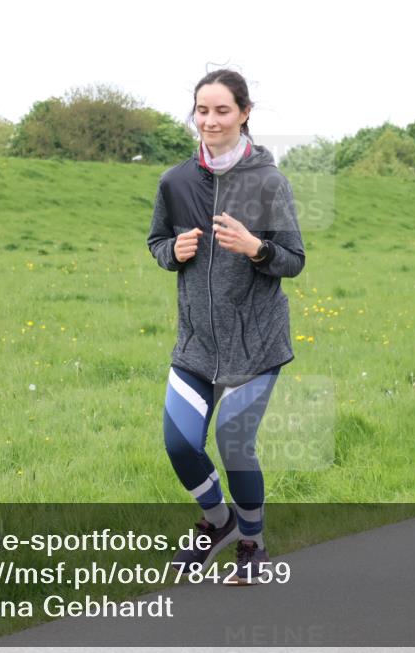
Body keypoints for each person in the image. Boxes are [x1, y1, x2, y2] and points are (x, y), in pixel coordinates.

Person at [146, 68, 305, 585]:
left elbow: (294, 259)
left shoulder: (268, 182)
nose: (210, 121)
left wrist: (256, 248)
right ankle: (219, 522)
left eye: (222, 110)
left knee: (233, 439)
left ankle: (254, 544)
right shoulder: (174, 182)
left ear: (244, 114)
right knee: (179, 442)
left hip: (254, 343)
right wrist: (173, 251)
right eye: (202, 110)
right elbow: (156, 243)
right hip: (196, 344)